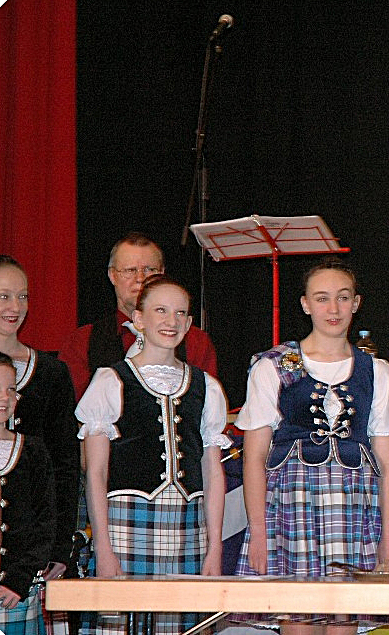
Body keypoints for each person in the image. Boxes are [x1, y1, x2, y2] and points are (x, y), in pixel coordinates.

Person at [234, 257, 389, 634]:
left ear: (356, 303)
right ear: (305, 304)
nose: (334, 309)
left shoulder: (375, 371)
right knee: (297, 618)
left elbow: (388, 466)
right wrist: (259, 533)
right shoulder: (275, 365)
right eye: (322, 298)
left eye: (343, 298)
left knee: (344, 618)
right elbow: (255, 458)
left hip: (353, 511)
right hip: (292, 511)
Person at [76, 275, 229, 635]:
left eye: (180, 313)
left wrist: (214, 548)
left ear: (189, 324)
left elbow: (213, 472)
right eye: (160, 310)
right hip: (125, 525)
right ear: (138, 318)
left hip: (188, 527)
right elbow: (95, 473)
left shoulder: (206, 386)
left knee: (179, 625)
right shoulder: (111, 381)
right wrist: (103, 548)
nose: (171, 321)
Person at [59, 232, 217, 400]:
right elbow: (76, 405)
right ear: (112, 275)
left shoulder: (195, 341)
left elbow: (206, 402)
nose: (140, 278)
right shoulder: (81, 342)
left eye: (150, 270)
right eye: (130, 270)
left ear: (162, 273)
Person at [0, 256, 79, 578]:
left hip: (32, 542)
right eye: (4, 296)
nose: (15, 307)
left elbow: (65, 464)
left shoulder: (52, 373)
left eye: (22, 296)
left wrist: (60, 545)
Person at [0, 353, 56, 635]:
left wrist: (18, 580)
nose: (4, 397)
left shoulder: (33, 450)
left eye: (11, 389)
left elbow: (45, 522)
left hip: (17, 594)